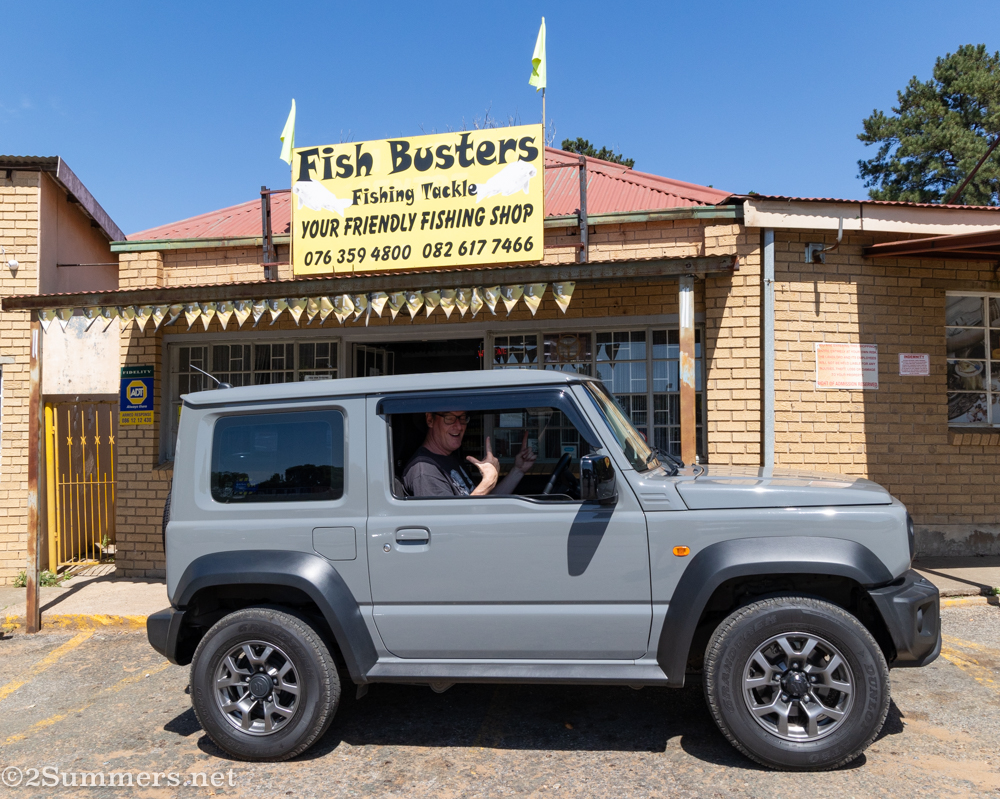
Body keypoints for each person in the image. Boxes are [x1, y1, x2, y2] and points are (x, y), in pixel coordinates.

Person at [403, 411, 537, 497]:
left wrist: (518, 470)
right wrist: (488, 480)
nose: (459, 426)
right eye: (449, 418)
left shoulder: (450, 459)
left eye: (462, 418)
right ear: (430, 420)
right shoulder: (425, 471)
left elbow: (482, 502)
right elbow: (449, 528)